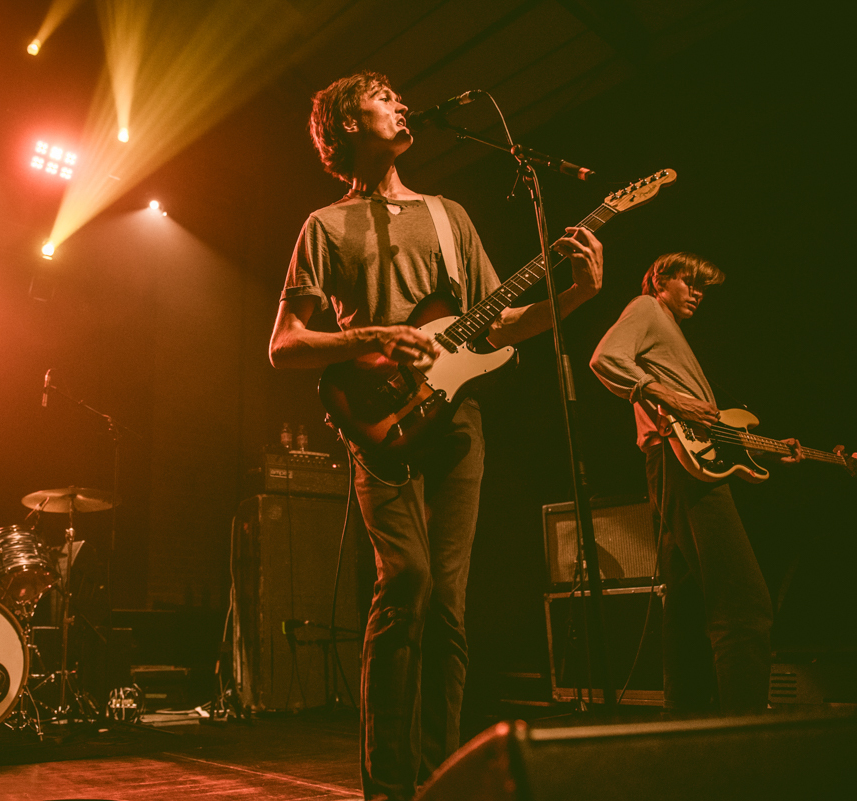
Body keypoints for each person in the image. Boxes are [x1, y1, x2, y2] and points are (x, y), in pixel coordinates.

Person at [268, 71, 604, 801]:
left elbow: (497, 325)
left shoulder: (450, 217)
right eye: (381, 98)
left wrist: (576, 293)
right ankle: (389, 788)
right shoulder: (324, 226)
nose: (399, 103)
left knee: (448, 607)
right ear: (347, 124)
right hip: (378, 421)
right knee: (407, 583)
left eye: (397, 96)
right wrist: (372, 335)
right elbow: (285, 344)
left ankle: (438, 783)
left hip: (457, 423)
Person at [589, 252, 803, 715]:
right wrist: (671, 397)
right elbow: (605, 358)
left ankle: (684, 726)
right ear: (660, 280)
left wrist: (767, 448)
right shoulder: (646, 308)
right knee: (745, 605)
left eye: (704, 287)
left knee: (686, 607)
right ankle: (748, 731)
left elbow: (715, 427)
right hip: (681, 464)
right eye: (691, 282)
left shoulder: (669, 330)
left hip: (676, 464)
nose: (699, 293)